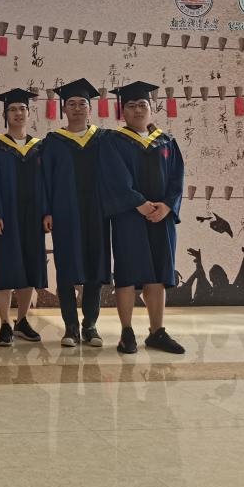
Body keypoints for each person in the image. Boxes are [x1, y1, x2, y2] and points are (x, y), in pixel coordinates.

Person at [100, 80, 185, 355]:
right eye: (131, 105)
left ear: (151, 108)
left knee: (158, 273)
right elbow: (115, 178)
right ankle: (126, 333)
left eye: (142, 104)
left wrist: (167, 207)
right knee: (127, 273)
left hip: (162, 218)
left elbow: (177, 179)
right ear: (122, 111)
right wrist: (140, 204)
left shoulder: (166, 141)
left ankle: (156, 331)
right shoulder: (113, 141)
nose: (138, 110)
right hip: (129, 217)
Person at [41, 79, 110, 348]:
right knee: (67, 268)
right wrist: (47, 211)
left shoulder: (103, 140)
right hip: (64, 212)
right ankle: (70, 326)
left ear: (90, 109)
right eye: (71, 104)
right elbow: (45, 180)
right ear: (64, 109)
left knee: (95, 266)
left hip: (97, 212)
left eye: (83, 103)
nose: (77, 108)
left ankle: (90, 325)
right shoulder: (53, 142)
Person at [0, 88, 47, 347]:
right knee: (6, 267)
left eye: (22, 109)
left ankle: (23, 320)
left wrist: (47, 211)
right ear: (5, 115)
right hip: (6, 217)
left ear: (29, 113)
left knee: (30, 266)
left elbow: (47, 183)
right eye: (13, 109)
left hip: (33, 217)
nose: (18, 113)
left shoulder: (39, 147)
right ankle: (5, 323)